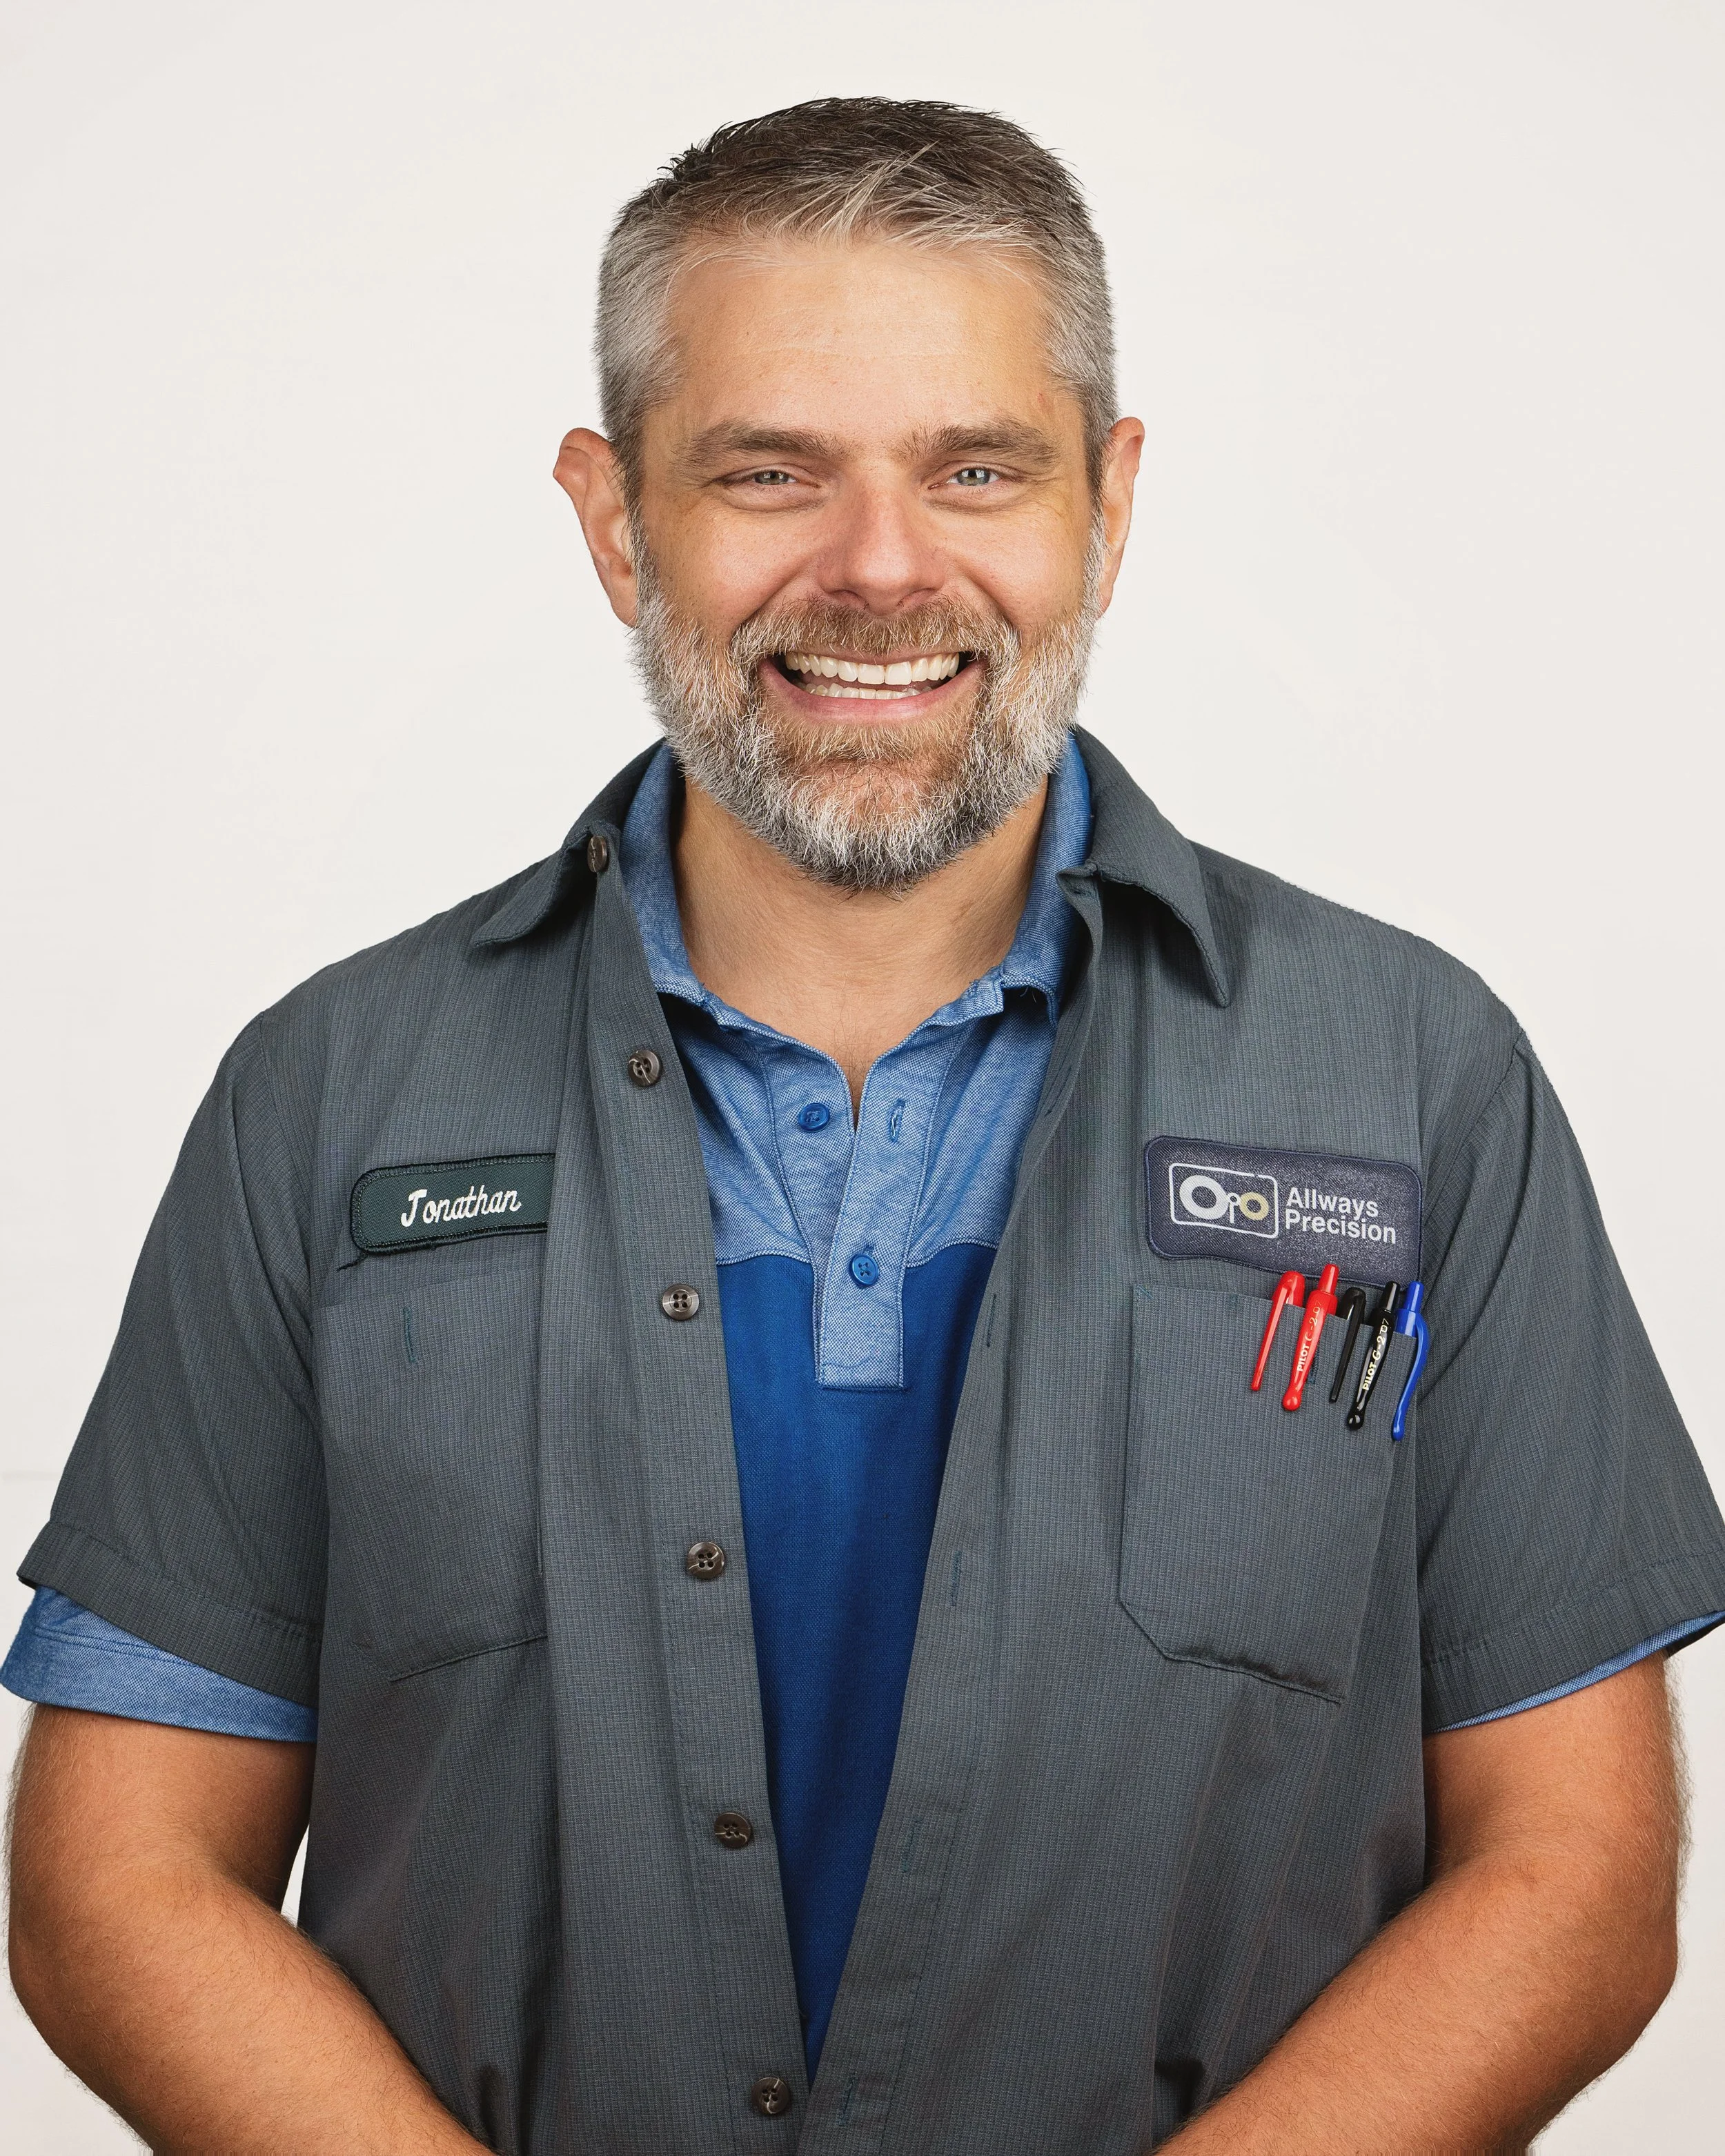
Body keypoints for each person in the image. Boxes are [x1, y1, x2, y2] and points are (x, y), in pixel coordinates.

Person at [6, 97, 1723, 2156]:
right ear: (615, 516)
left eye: (975, 468)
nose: (882, 566)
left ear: (1106, 500)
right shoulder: (327, 1102)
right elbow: (118, 1877)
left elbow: (1579, 1877)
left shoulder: (1414, 1075)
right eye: (767, 473)